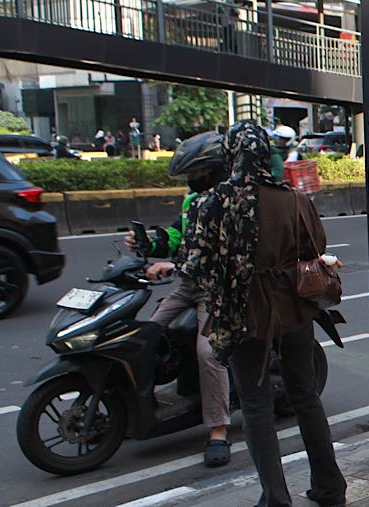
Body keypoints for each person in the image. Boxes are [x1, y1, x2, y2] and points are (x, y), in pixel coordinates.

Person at [183, 122, 347, 506]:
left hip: (243, 315)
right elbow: (316, 248)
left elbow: (195, 265)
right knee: (305, 396)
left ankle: (276, 498)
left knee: (256, 407)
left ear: (230, 154)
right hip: (295, 309)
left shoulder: (213, 203)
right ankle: (330, 488)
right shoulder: (294, 199)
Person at [124, 131, 233, 467]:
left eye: (196, 174)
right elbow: (178, 235)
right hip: (187, 283)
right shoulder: (192, 202)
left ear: (213, 170)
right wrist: (147, 243)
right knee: (144, 336)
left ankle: (218, 429)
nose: (191, 180)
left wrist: (174, 263)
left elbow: (224, 251)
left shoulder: (231, 202)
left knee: (208, 352)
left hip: (214, 288)